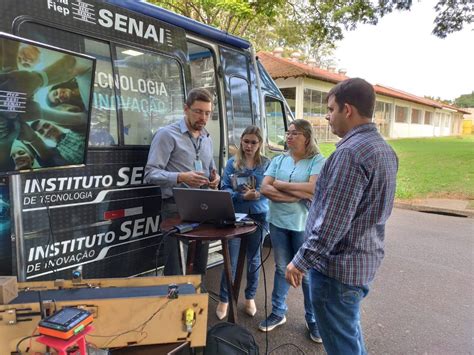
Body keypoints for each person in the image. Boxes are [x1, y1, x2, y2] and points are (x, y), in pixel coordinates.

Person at [286, 78, 398, 355]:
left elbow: (332, 224)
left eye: (331, 109)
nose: (327, 116)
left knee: (341, 345)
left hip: (337, 271)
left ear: (347, 110)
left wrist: (300, 262)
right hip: (360, 264)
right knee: (349, 335)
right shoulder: (385, 150)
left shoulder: (350, 153)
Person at [259, 119, 326, 343]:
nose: (289, 137)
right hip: (277, 222)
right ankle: (278, 312)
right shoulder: (279, 159)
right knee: (280, 269)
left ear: (307, 137)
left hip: (302, 225)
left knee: (305, 273)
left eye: (294, 133)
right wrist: (296, 194)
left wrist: (282, 185)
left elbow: (314, 188)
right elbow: (264, 187)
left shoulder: (317, 160)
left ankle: (313, 319)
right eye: (287, 133)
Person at [144, 88, 220, 276]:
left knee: (200, 263)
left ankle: (195, 302)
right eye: (198, 111)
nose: (203, 117)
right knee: (176, 267)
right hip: (174, 206)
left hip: (202, 206)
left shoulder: (207, 138)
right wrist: (180, 177)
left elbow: (211, 169)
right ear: (185, 109)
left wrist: (215, 178)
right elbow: (150, 173)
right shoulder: (166, 135)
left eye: (207, 113)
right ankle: (175, 304)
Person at [216, 125, 270, 320]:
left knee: (254, 259)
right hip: (237, 216)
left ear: (260, 143)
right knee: (231, 259)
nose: (249, 146)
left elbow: (271, 188)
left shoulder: (266, 164)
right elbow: (224, 190)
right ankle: (225, 298)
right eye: (246, 141)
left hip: (259, 216)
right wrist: (241, 197)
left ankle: (249, 297)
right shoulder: (232, 163)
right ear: (241, 141)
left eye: (253, 142)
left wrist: (259, 194)